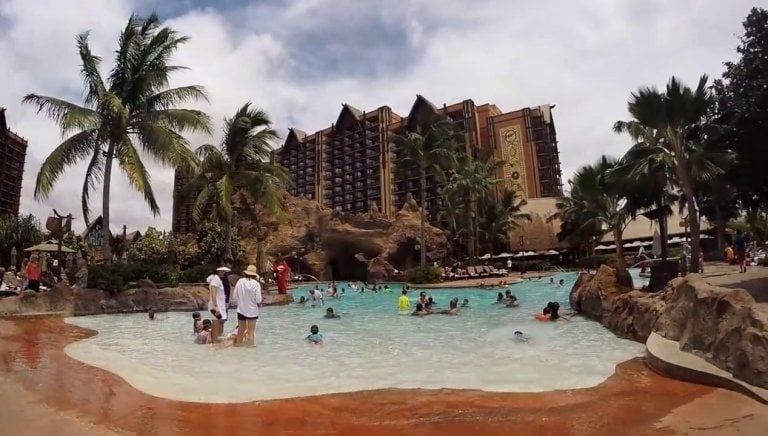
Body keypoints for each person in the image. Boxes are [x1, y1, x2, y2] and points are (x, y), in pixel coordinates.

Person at [231, 265, 263, 347]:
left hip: (241, 310)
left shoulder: (240, 281)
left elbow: (234, 296)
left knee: (240, 331)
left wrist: (241, 301)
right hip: (252, 311)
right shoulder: (256, 284)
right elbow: (258, 300)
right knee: (251, 332)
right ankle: (250, 349)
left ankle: (238, 347)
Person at [207, 266, 231, 343]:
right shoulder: (215, 279)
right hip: (216, 306)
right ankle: (215, 343)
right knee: (215, 326)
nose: (224, 273)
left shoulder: (217, 279)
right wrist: (216, 306)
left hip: (219, 305)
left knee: (216, 326)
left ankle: (215, 343)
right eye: (222, 271)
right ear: (218, 271)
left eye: (224, 271)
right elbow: (213, 292)